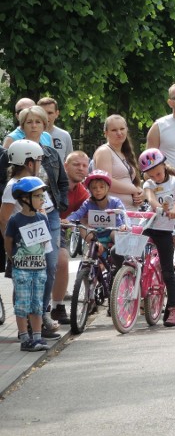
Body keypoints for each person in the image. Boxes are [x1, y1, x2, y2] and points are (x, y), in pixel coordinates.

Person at [15, 108, 69, 331]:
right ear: (22, 125)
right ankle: (24, 319)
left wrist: (60, 204)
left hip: (50, 215)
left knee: (49, 263)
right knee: (24, 266)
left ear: (45, 124)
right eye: (29, 122)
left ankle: (42, 313)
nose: (34, 125)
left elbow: (63, 183)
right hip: (23, 215)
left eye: (39, 121)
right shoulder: (13, 152)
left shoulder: (51, 153)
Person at [139, 148, 175, 326]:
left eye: (157, 172)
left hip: (164, 229)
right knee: (131, 253)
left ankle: (173, 309)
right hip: (148, 225)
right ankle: (127, 280)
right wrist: (157, 206)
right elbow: (149, 197)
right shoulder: (148, 184)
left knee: (167, 270)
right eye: (150, 174)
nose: (155, 176)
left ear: (164, 166)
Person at [5, 177, 52, 352]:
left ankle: (37, 337)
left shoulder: (42, 218)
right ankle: (25, 338)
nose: (42, 199)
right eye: (38, 196)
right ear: (25, 198)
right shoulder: (15, 220)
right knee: (22, 303)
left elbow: (45, 243)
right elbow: (8, 241)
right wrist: (12, 258)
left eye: (42, 195)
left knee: (37, 304)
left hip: (39, 268)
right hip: (22, 268)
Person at [53, 150, 91, 326]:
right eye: (76, 165)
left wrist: (92, 240)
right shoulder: (53, 184)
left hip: (58, 229)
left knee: (63, 261)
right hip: (40, 225)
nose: (81, 169)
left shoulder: (82, 192)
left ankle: (58, 306)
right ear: (65, 166)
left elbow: (84, 221)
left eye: (84, 166)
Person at [93, 114, 143, 209]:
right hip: (111, 212)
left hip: (130, 211)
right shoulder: (104, 151)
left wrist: (140, 193)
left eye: (122, 129)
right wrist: (133, 189)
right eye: (114, 130)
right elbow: (106, 182)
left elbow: (130, 182)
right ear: (106, 133)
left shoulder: (125, 153)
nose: (119, 133)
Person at [37, 97, 73, 162]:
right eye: (43, 113)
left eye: (50, 113)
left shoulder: (65, 135)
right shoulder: (30, 135)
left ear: (57, 114)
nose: (46, 116)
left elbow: (69, 162)